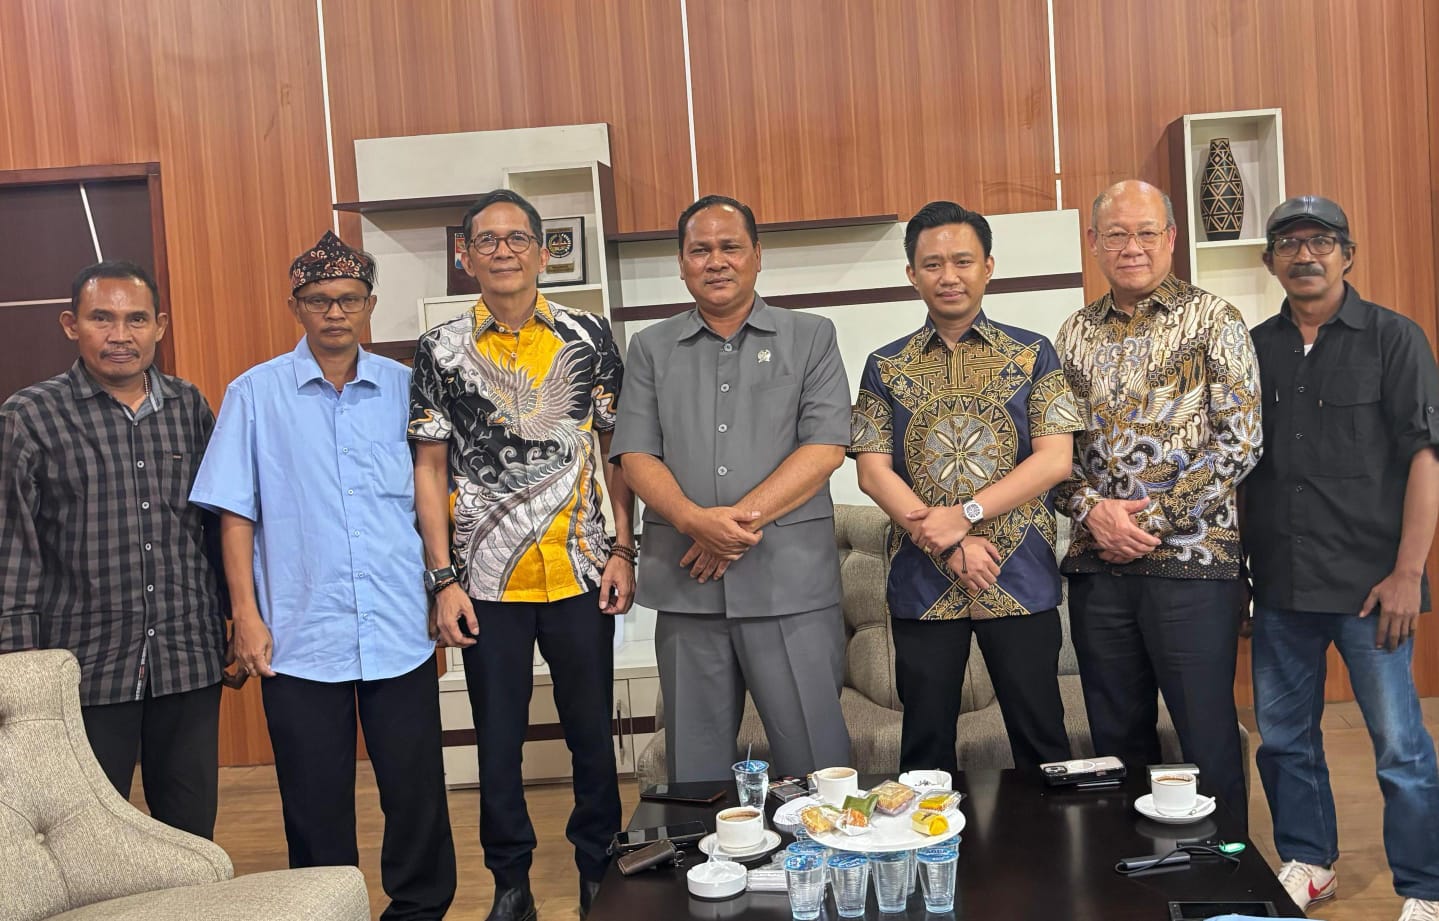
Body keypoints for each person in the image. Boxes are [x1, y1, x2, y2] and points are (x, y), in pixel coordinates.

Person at [190, 231, 456, 920]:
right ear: (295, 307)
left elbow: (432, 497)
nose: (334, 312)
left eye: (348, 299)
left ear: (370, 304)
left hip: (399, 623)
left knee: (415, 788)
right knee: (313, 797)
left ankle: (420, 908)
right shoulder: (254, 394)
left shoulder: (407, 388)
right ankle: (326, 908)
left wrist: (441, 584)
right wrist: (245, 615)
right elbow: (235, 514)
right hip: (299, 631)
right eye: (318, 300)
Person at [410, 190, 634, 921]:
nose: (502, 251)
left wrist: (623, 548)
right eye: (487, 240)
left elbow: (616, 449)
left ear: (542, 252)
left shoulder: (589, 334)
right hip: (484, 578)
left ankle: (598, 869)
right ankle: (511, 883)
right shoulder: (440, 348)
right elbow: (429, 468)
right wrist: (442, 578)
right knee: (497, 740)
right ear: (465, 255)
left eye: (516, 239)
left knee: (591, 736)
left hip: (580, 568)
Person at [610, 194, 852, 784]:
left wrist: (728, 527)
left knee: (816, 765)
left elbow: (825, 447)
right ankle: (704, 852)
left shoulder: (810, 337)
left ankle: (820, 849)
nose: (715, 261)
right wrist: (695, 522)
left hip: (788, 583)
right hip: (686, 587)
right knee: (695, 772)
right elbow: (635, 454)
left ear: (757, 256)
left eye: (730, 247)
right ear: (681, 263)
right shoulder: (650, 347)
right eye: (700, 250)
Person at [1244, 195, 1439, 921]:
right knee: (1284, 741)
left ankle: (1424, 886)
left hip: (1371, 588)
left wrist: (1408, 573)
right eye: (1289, 244)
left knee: (1399, 748)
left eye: (1320, 241)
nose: (1305, 255)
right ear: (1270, 261)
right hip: (1281, 584)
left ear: (1347, 255)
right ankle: (1310, 861)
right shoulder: (1253, 348)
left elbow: (1425, 458)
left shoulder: (1394, 338)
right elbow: (1238, 469)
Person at [1054, 180, 1262, 822]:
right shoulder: (1073, 334)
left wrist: (1153, 521)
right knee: (1116, 741)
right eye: (1116, 234)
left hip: (1192, 566)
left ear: (1171, 238)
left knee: (1205, 733)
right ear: (1094, 243)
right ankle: (1130, 867)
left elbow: (1241, 441)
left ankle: (1226, 863)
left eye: (1146, 232)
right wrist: (1093, 511)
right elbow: (1051, 455)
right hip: (1098, 568)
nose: (1132, 247)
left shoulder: (1215, 319)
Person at [852, 200, 1080, 774]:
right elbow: (872, 471)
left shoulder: (1033, 354)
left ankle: (1049, 837)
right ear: (912, 274)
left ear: (988, 267)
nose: (948, 276)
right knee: (925, 752)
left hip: (1018, 574)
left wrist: (966, 514)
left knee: (1042, 742)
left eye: (962, 261)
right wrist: (950, 540)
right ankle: (934, 838)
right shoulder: (885, 366)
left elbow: (1056, 460)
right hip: (923, 580)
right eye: (932, 264)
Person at [0, 260, 227, 838]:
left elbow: (215, 526)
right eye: (102, 318)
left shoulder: (189, 407)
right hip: (85, 667)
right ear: (70, 324)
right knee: (92, 843)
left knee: (191, 833)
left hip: (186, 657)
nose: (120, 335)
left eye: (136, 319)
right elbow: (12, 548)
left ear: (160, 326)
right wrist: (20, 668)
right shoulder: (29, 417)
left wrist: (232, 618)